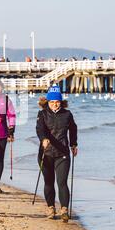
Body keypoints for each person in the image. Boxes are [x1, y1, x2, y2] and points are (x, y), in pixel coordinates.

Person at [36, 85, 78, 222]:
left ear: (61, 102)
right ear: (47, 102)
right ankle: (51, 207)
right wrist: (43, 139)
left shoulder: (67, 114)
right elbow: (39, 129)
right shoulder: (42, 114)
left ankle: (64, 209)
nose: (55, 104)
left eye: (57, 102)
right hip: (46, 153)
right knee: (49, 182)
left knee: (62, 182)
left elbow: (73, 129)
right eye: (52, 102)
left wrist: (74, 144)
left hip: (62, 153)